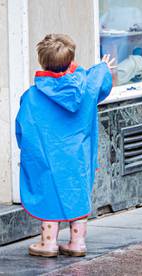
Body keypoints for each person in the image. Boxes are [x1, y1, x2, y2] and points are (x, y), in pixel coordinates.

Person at [15, 34, 114, 257]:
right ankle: (77, 243)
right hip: (78, 157)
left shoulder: (31, 97)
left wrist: (27, 151)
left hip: (48, 158)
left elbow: (24, 128)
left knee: (49, 195)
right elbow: (99, 80)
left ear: (42, 62)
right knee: (77, 195)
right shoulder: (86, 88)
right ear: (71, 61)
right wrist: (104, 67)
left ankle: (48, 243)